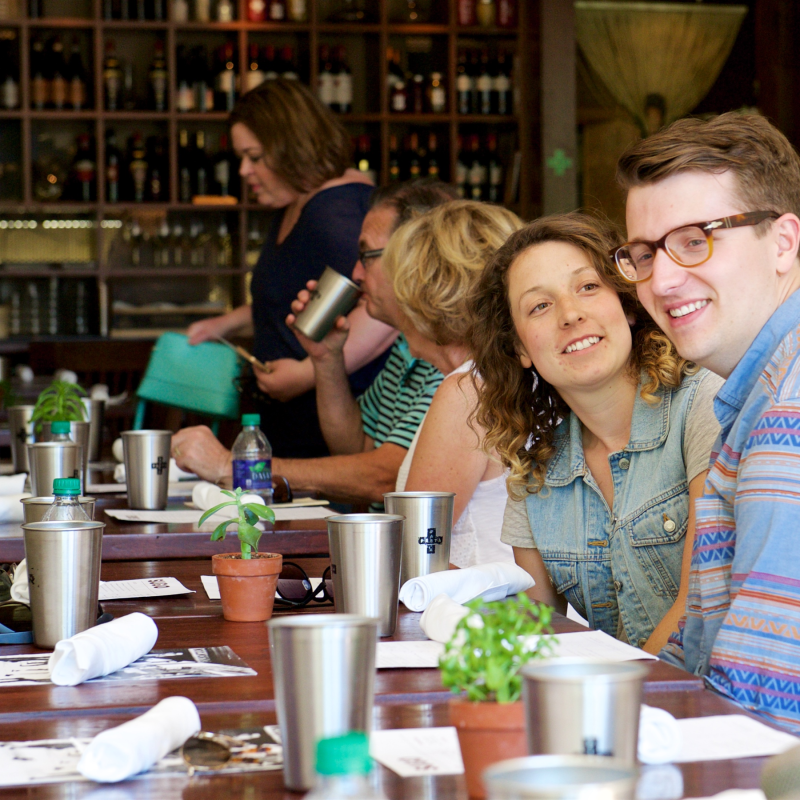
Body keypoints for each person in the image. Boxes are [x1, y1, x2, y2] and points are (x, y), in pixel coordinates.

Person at [616, 112, 800, 732]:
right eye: (643, 254)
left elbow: (763, 709)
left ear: (783, 241)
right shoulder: (760, 386)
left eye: (696, 239)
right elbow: (697, 651)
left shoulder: (790, 406)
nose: (662, 279)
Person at [468, 212, 723, 654]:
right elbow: (537, 638)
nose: (571, 314)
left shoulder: (704, 404)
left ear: (626, 302)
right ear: (520, 349)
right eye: (540, 306)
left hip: (717, 709)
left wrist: (607, 702)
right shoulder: (535, 474)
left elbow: (697, 605)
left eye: (588, 287)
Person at [172, 181, 457, 506]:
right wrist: (326, 359)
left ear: (416, 258)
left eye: (367, 255)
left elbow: (388, 476)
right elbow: (355, 449)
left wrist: (236, 467)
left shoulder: (450, 358)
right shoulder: (406, 348)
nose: (356, 273)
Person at [186, 79, 396, 458]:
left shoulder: (336, 212)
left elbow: (386, 310)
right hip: (293, 427)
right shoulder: (297, 204)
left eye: (255, 156)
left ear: (293, 146)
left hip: (325, 432)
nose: (244, 171)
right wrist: (227, 323)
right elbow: (308, 298)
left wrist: (303, 375)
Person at [384, 200, 524, 566]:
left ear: (423, 294)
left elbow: (412, 555)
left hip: (485, 616)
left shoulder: (469, 392)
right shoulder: (517, 371)